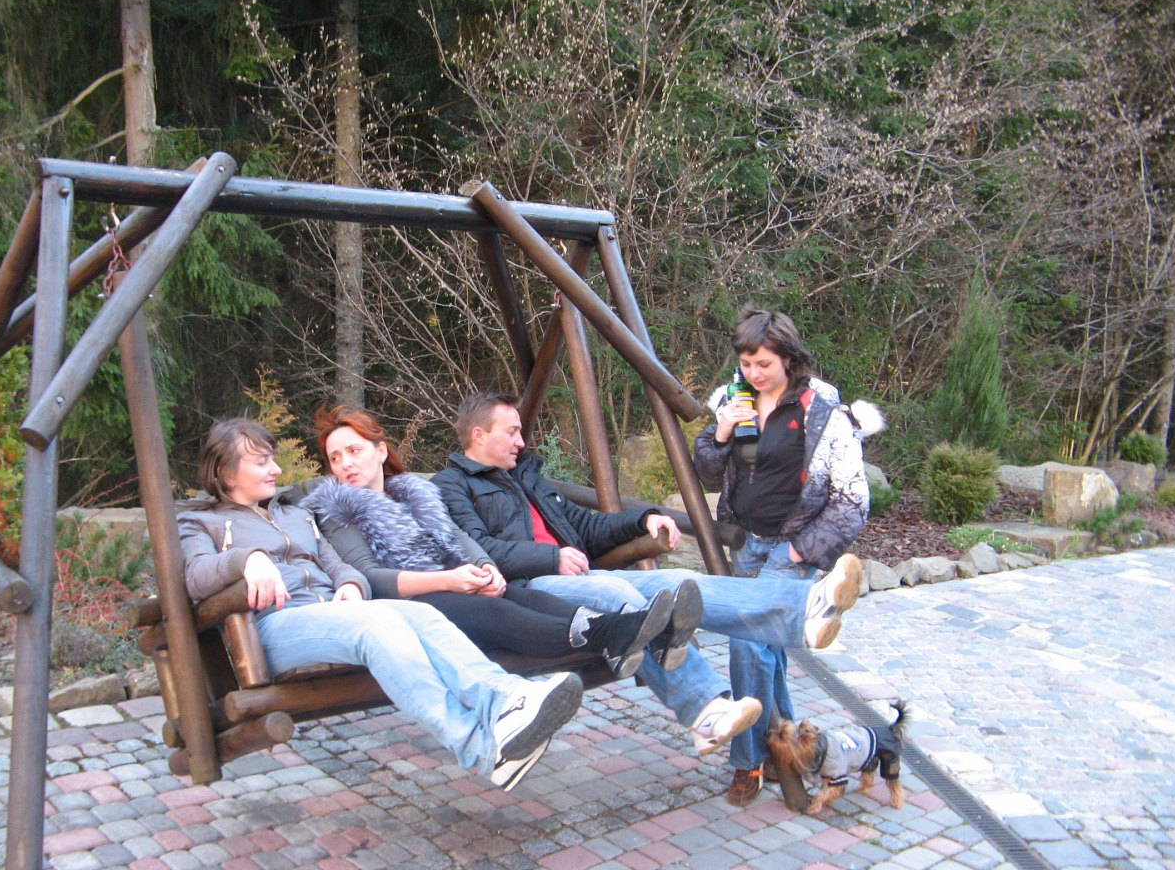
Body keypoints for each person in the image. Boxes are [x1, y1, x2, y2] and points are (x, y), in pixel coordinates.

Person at [432, 392, 865, 796]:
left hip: (580, 576)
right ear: (479, 435)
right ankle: (705, 709)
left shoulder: (526, 477)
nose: (521, 441)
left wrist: (643, 519)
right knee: (614, 590)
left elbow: (584, 526)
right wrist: (550, 558)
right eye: (512, 432)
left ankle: (803, 610)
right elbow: (477, 549)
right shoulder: (451, 485)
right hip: (529, 592)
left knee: (676, 582)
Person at [177, 418, 583, 792]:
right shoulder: (199, 521)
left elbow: (337, 565)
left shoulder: (293, 515)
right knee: (376, 627)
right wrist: (247, 559)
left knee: (420, 613)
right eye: (262, 462)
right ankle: (478, 747)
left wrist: (351, 585)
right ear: (226, 473)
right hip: (276, 626)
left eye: (273, 459)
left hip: (333, 616)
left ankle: (506, 699)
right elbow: (195, 575)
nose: (277, 469)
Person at [294, 406, 678, 679]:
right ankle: (611, 634)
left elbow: (458, 536)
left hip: (455, 585)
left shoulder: (414, 494)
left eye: (354, 451)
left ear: (380, 451)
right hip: (407, 604)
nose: (345, 464)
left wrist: (487, 568)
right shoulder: (336, 510)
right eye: (335, 458)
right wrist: (450, 580)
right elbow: (371, 576)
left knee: (518, 595)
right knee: (494, 610)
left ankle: (624, 632)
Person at [694, 305, 882, 804]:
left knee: (745, 643)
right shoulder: (735, 399)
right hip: (747, 541)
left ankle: (747, 762)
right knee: (768, 649)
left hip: (791, 547)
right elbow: (708, 474)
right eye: (746, 363)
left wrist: (802, 550)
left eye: (764, 364)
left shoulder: (822, 412)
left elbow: (852, 500)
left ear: (788, 359)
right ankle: (788, 745)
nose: (754, 373)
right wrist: (721, 432)